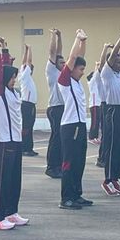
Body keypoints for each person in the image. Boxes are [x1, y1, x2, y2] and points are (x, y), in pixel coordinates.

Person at [0, 39, 29, 230]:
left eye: (15, 77)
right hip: (3, 141)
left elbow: (6, 67)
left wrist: (6, 49)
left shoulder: (13, 93)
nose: (14, 80)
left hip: (15, 140)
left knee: (14, 180)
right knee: (2, 182)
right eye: (12, 78)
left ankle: (11, 212)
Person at [55, 31, 92, 209]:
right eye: (80, 69)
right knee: (69, 163)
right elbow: (73, 58)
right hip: (70, 127)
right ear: (72, 69)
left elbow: (79, 56)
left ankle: (77, 194)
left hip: (80, 125)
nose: (83, 73)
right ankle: (66, 198)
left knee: (79, 162)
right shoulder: (65, 81)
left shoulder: (76, 83)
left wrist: (83, 41)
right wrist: (77, 39)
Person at [97, 29, 120, 196]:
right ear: (110, 63)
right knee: (112, 147)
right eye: (117, 62)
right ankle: (107, 180)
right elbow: (115, 54)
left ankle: (115, 179)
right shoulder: (107, 74)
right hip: (113, 111)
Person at [44, 29, 66, 180]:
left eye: (64, 63)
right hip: (55, 108)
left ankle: (59, 166)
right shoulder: (52, 71)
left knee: (61, 139)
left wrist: (60, 36)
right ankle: (52, 167)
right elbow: (53, 52)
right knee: (56, 138)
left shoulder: (62, 72)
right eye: (61, 63)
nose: (64, 64)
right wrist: (53, 35)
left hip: (63, 108)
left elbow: (59, 52)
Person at [18, 46, 38, 157]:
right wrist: (30, 49)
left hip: (30, 105)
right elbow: (27, 62)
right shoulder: (25, 76)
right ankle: (25, 148)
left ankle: (28, 147)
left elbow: (23, 63)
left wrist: (25, 51)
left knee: (29, 127)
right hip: (27, 105)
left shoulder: (24, 76)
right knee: (27, 128)